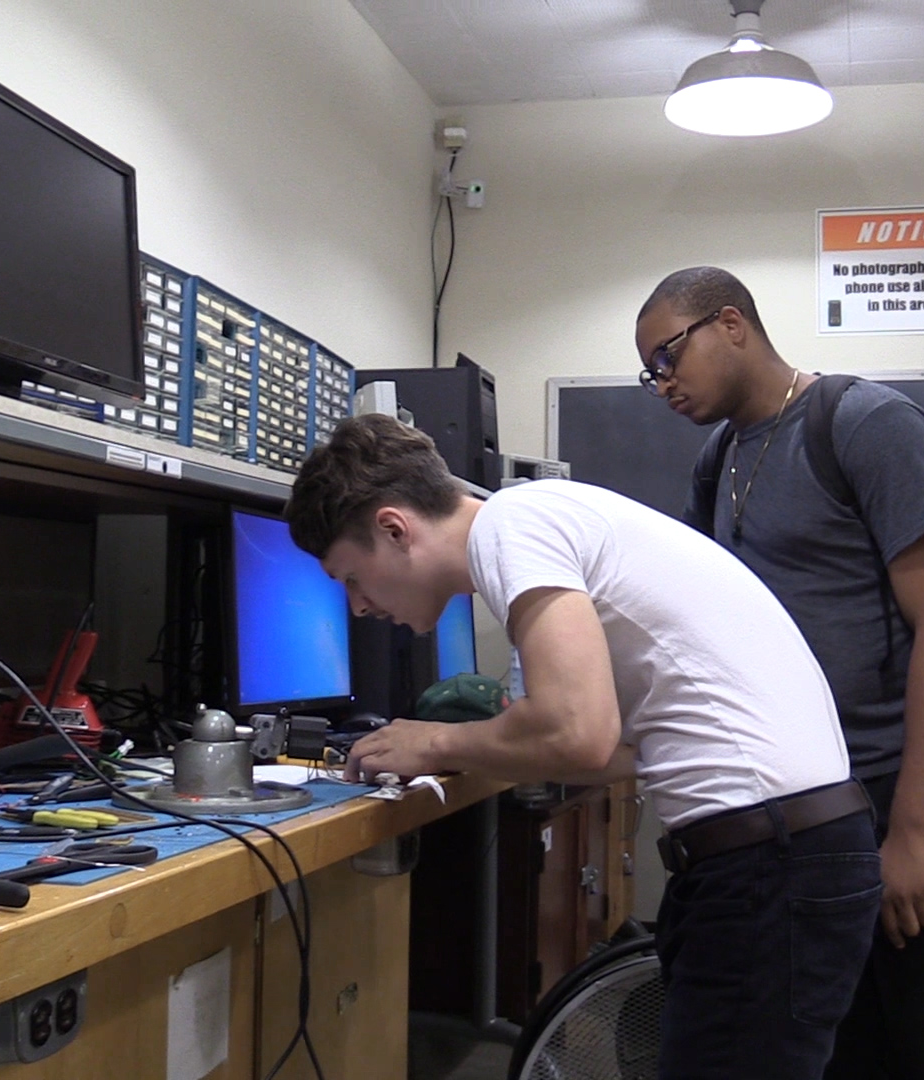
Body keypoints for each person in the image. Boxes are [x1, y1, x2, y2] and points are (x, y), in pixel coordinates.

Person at [285, 414, 881, 1079]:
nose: (360, 607)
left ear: (394, 529)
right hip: (792, 852)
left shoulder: (512, 528)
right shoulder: (548, 520)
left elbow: (579, 733)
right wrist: (484, 745)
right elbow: (620, 747)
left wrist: (435, 741)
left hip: (769, 863)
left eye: (350, 578)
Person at [636, 266, 924, 1080]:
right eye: (649, 372)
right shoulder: (719, 458)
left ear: (731, 323)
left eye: (669, 356)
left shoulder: (866, 423)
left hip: (913, 788)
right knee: (837, 1052)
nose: (662, 383)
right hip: (811, 807)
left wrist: (912, 831)